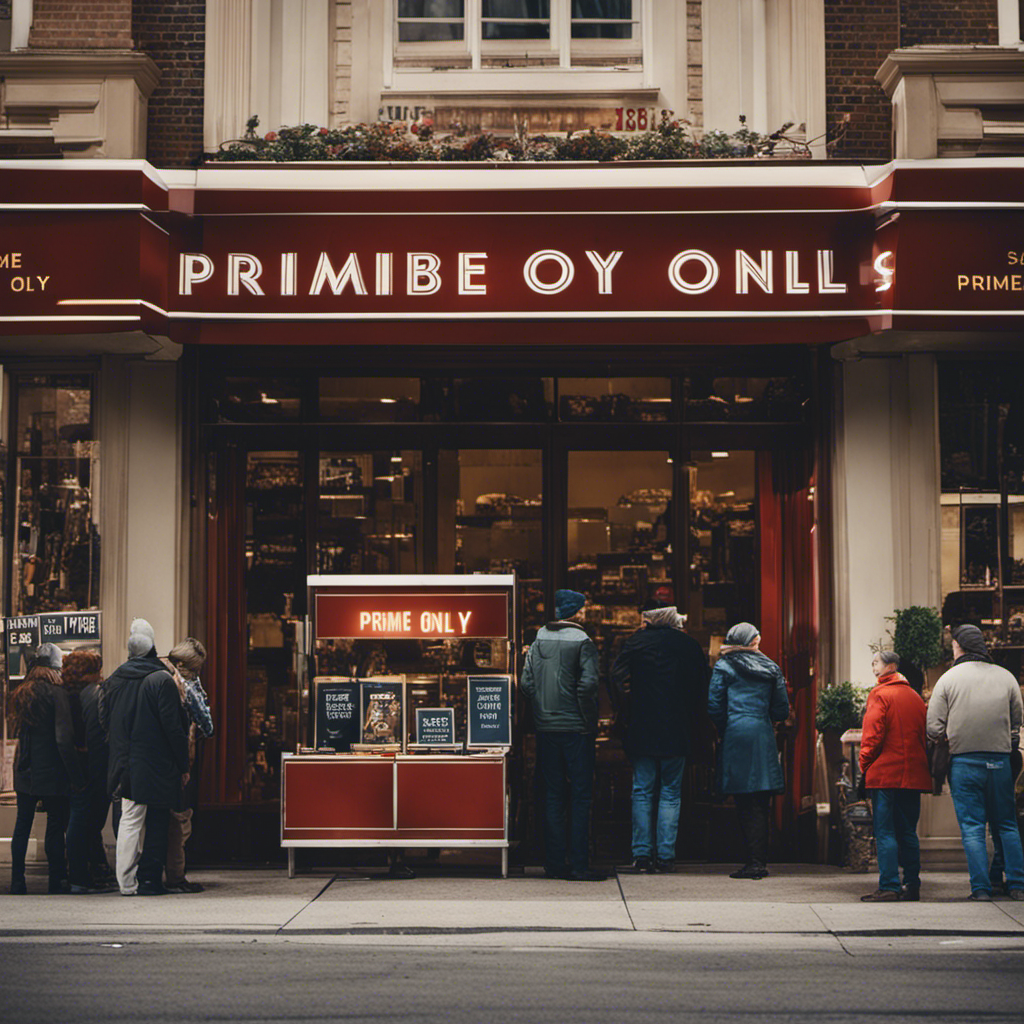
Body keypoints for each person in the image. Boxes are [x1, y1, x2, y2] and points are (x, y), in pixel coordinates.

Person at [926, 624, 1024, 901]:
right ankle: (1017, 885)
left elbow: (933, 727)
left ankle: (980, 889)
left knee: (972, 827)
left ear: (958, 646)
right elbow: (1018, 719)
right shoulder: (1006, 678)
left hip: (964, 762)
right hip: (1000, 760)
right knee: (1006, 824)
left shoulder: (948, 679)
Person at [610, 600, 709, 873]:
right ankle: (666, 856)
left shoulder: (635, 643)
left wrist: (625, 707)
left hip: (642, 725)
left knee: (642, 790)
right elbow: (702, 684)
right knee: (671, 793)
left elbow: (615, 677)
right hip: (677, 727)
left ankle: (641, 855)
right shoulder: (687, 645)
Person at [520, 588, 603, 881]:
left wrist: (543, 708)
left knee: (552, 795)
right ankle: (579, 863)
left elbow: (526, 683)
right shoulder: (583, 642)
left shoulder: (538, 638)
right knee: (580, 795)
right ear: (577, 612)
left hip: (546, 728)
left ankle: (555, 863)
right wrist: (587, 719)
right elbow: (589, 685)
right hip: (576, 729)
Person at [103, 621, 189, 895]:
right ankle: (150, 879)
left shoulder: (114, 679)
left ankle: (126, 882)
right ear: (152, 648)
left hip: (124, 760)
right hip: (156, 762)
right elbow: (174, 728)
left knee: (129, 818)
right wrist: (182, 763)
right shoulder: (161, 679)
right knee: (157, 819)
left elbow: (103, 719)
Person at [707, 622, 790, 880]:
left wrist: (726, 726)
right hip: (762, 735)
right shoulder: (771, 668)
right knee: (761, 801)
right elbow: (781, 710)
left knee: (743, 800)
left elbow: (714, 705)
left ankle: (751, 861)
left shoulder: (724, 666)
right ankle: (758, 860)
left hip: (736, 733)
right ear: (752, 642)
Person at [9, 644, 86, 894]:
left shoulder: (21, 692)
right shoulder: (57, 694)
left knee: (22, 827)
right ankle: (57, 880)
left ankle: (17, 881)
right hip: (52, 771)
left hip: (24, 770)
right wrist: (76, 775)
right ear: (56, 667)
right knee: (55, 827)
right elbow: (63, 739)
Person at [858, 650, 932, 902]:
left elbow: (872, 736)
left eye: (876, 663)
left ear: (890, 665)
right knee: (908, 831)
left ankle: (889, 885)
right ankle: (912, 884)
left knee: (885, 831)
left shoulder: (879, 694)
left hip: (885, 774)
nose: (873, 668)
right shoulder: (914, 697)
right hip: (913, 773)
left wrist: (864, 764)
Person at [61, 649, 115, 892]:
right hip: (90, 767)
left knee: (79, 821)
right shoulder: (93, 695)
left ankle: (82, 873)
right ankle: (83, 876)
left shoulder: (64, 693)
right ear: (90, 673)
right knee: (87, 822)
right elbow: (95, 735)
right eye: (97, 670)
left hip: (69, 767)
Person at [162, 637, 212, 893]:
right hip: (179, 758)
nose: (197, 674)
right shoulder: (184, 686)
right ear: (183, 664)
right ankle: (175, 875)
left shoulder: (162, 677)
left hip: (167, 759)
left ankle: (171, 872)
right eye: (195, 669)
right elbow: (207, 723)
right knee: (178, 820)